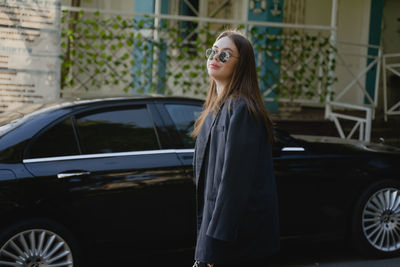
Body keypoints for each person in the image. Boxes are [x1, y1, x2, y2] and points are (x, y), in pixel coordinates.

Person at [191, 30, 280, 267]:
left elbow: (233, 183)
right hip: (218, 237)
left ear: (241, 66)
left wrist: (215, 247)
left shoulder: (242, 111)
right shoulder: (212, 112)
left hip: (239, 243)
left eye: (225, 55)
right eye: (213, 51)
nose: (215, 57)